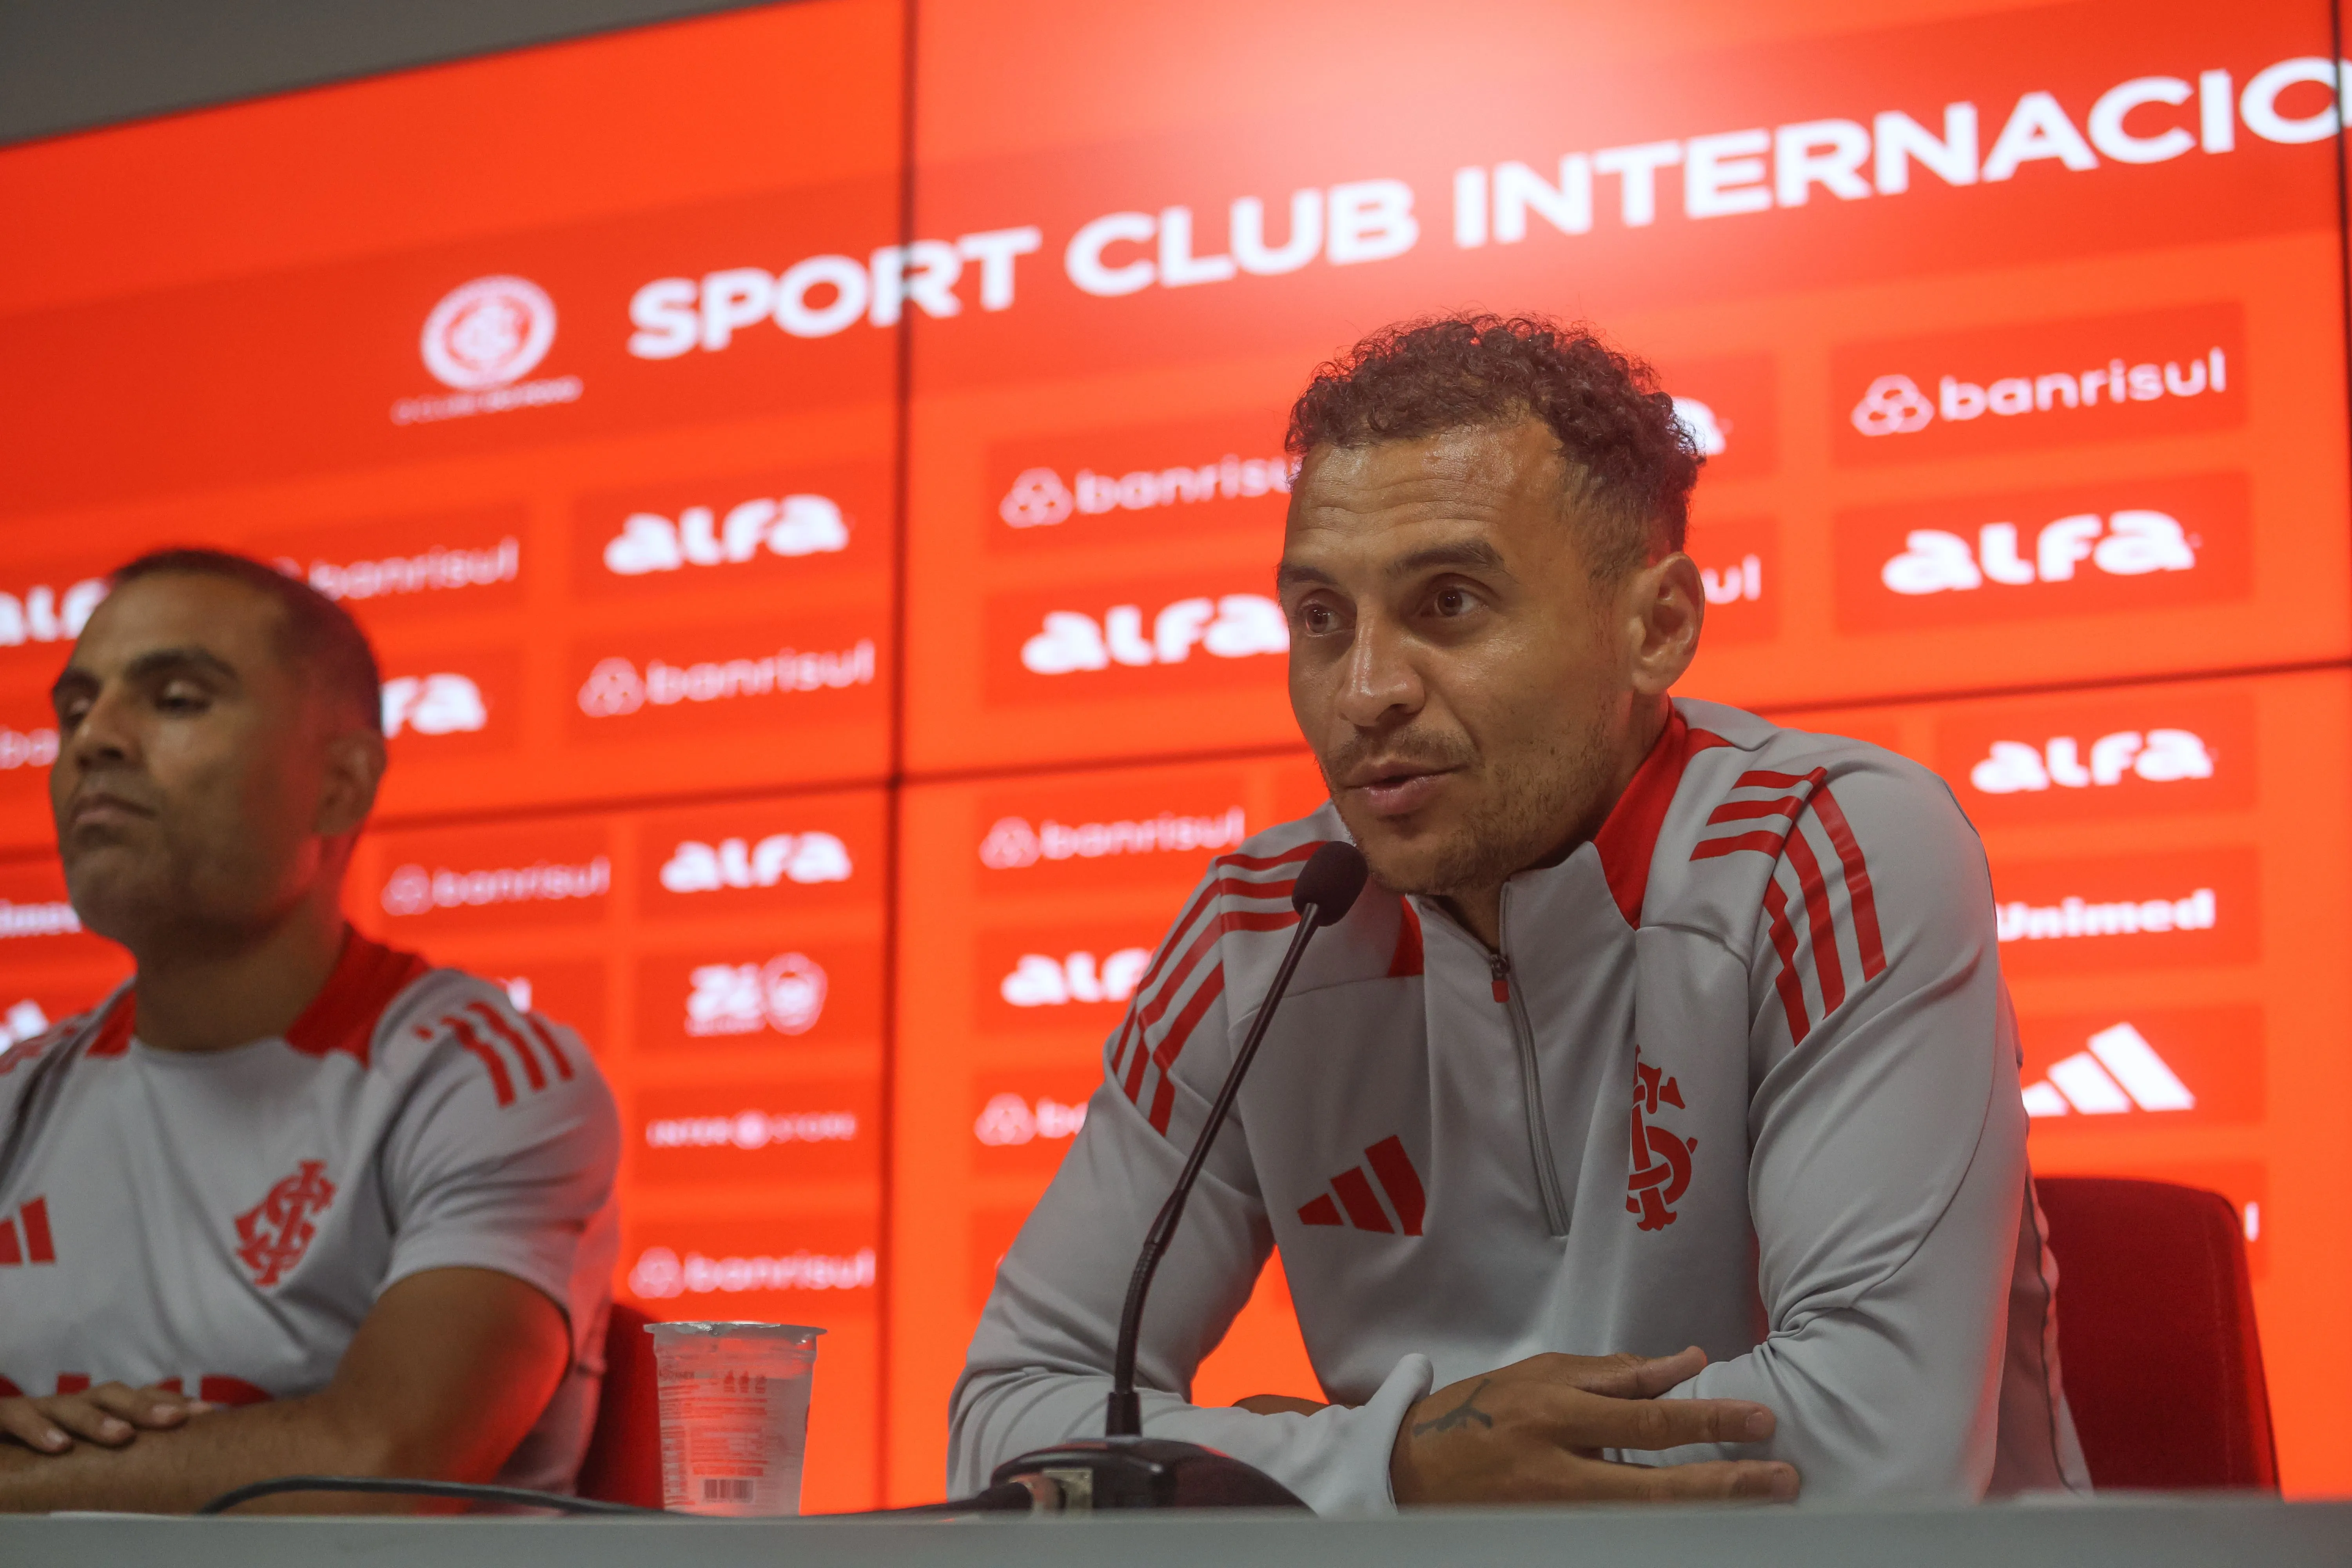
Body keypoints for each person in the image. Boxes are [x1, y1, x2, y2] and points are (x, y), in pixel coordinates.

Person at [951, 316, 2090, 1511]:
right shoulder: (1267, 924)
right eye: (1322, 619)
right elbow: (1007, 1426)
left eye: (1449, 603)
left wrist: (1333, 1474)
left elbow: (1878, 1454)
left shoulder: (1831, 848)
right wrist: (1395, 1462)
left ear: (1657, 629)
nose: (1367, 693)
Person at [0, 549, 619, 1513]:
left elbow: (376, 1465)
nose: (95, 741)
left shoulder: (483, 1079)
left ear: (342, 785)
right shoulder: (18, 1094)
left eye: (174, 699)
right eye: (75, 709)